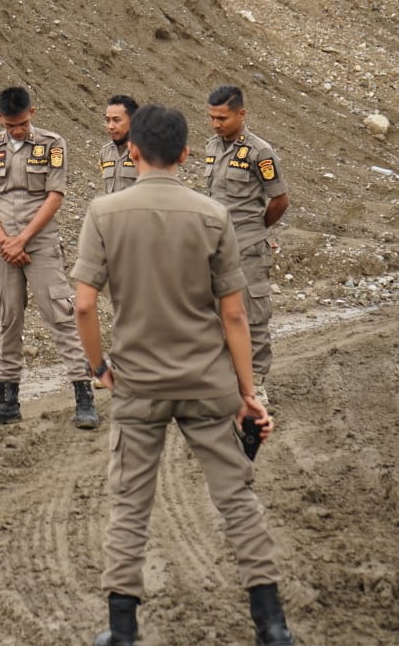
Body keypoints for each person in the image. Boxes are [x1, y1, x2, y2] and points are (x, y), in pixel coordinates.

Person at [72, 103, 295, 646]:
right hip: (207, 384)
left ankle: (122, 630)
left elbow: (82, 305)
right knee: (238, 501)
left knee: (129, 506)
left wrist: (100, 368)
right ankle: (272, 626)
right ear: (187, 155)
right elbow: (235, 314)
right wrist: (248, 394)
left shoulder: (103, 212)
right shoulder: (213, 216)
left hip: (138, 386)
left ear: (133, 151)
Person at [0, 87, 97, 429]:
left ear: (33, 113)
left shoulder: (52, 144)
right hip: (4, 245)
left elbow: (55, 195)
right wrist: (4, 241)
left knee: (59, 314)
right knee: (8, 318)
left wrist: (23, 239)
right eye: (11, 125)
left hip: (39, 242)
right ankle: (7, 400)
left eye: (23, 124)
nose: (17, 131)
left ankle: (84, 397)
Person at [204, 85, 290, 404]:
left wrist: (257, 229)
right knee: (216, 313)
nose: (215, 124)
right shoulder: (212, 146)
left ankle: (256, 381)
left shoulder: (259, 152)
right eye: (211, 117)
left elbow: (280, 200)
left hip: (249, 246)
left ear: (241, 114)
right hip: (215, 246)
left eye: (222, 118)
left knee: (252, 314)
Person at [98, 95, 139, 195]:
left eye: (117, 120)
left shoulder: (148, 151)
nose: (110, 126)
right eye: (107, 120)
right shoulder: (105, 153)